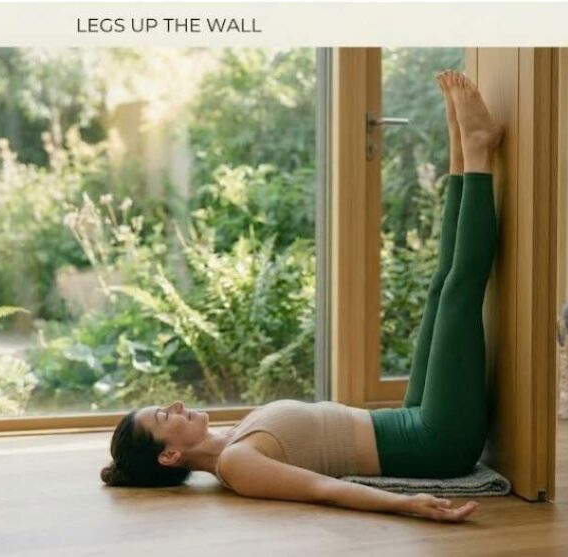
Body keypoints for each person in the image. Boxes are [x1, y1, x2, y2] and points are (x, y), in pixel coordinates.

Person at [100, 71, 503, 523]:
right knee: (458, 292)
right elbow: (322, 489)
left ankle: (460, 146)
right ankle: (479, 149)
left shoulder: (234, 439)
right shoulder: (235, 465)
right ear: (169, 456)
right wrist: (406, 504)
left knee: (439, 287)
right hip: (437, 441)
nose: (175, 404)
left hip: (412, 418)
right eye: (162, 415)